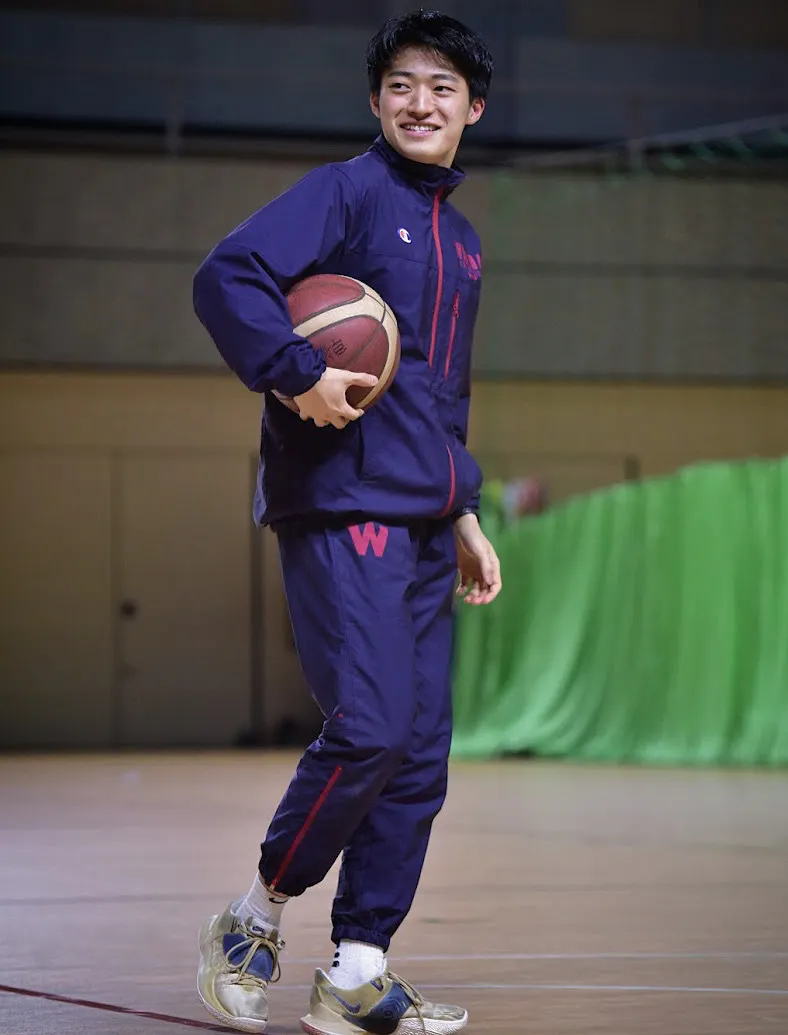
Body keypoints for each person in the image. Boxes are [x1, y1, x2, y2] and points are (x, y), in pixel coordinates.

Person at [192, 10, 501, 1034]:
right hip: (341, 501)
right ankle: (251, 920)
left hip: (422, 516)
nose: (421, 102)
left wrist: (463, 507)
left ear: (474, 108)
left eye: (443, 87)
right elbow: (225, 275)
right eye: (402, 84)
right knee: (369, 725)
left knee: (417, 755)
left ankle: (359, 970)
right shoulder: (346, 193)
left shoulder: (462, 244)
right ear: (375, 100)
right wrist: (295, 373)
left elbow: (439, 395)